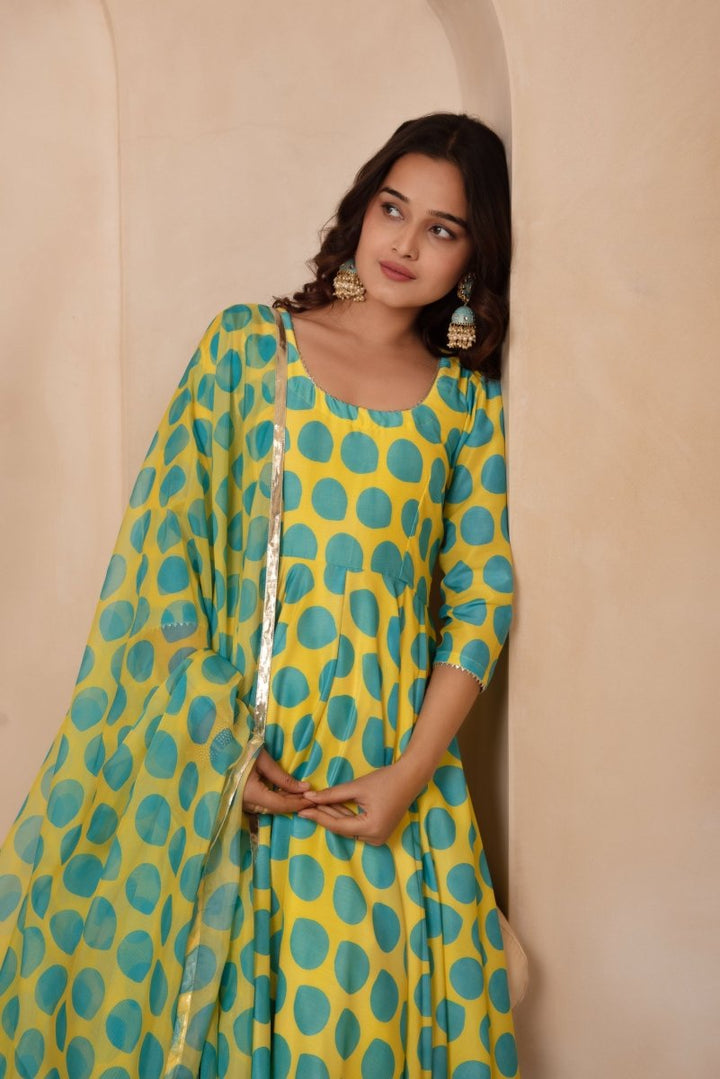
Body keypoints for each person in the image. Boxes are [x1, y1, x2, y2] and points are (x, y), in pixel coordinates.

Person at [0, 112, 519, 1078]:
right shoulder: (248, 351)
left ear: (473, 257)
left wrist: (408, 776)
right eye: (393, 208)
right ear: (361, 211)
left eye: (442, 228)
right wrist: (219, 752)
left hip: (376, 794)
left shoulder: (461, 406)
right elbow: (163, 564)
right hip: (230, 771)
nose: (405, 243)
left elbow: (481, 600)